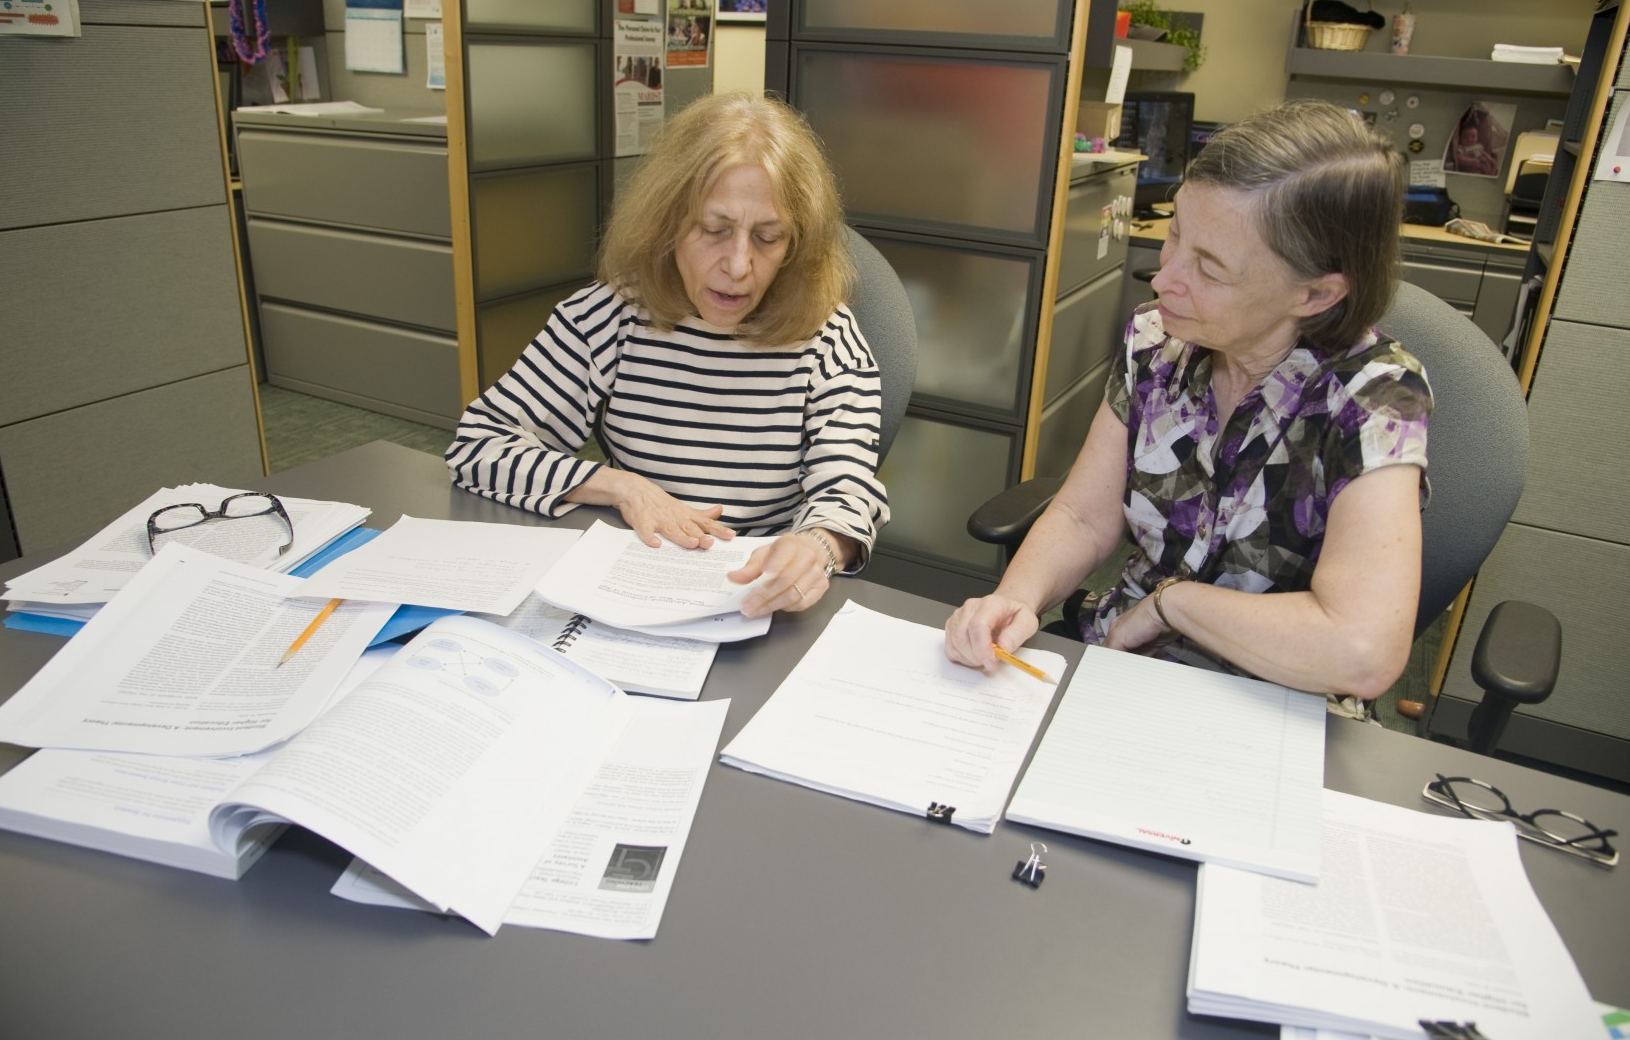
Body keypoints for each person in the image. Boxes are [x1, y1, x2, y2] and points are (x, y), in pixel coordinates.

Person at [945, 101, 1432, 715]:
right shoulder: (1158, 341)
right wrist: (1015, 599)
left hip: (1271, 706)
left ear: (1315, 293)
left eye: (1209, 267)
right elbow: (1083, 519)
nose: (1164, 278)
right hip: (1120, 669)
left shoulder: (1375, 399)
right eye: (1176, 232)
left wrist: (1173, 604)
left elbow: (1362, 650)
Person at [447, 91, 889, 619]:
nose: (739, 264)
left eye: (768, 238)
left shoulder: (828, 338)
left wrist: (817, 547)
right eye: (714, 230)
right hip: (632, 583)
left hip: (759, 600)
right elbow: (479, 447)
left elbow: (848, 492)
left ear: (795, 246)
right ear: (669, 223)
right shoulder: (608, 316)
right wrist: (621, 486)